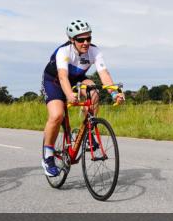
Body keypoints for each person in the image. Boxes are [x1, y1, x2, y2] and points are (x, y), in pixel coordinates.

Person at [40, 19, 124, 176]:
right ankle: (48, 156)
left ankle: (89, 132)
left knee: (94, 93)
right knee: (57, 115)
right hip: (54, 81)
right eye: (81, 39)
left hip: (77, 78)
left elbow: (104, 74)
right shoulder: (63, 52)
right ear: (72, 40)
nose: (85, 42)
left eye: (89, 38)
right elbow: (63, 77)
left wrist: (114, 93)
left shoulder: (94, 51)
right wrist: (69, 95)